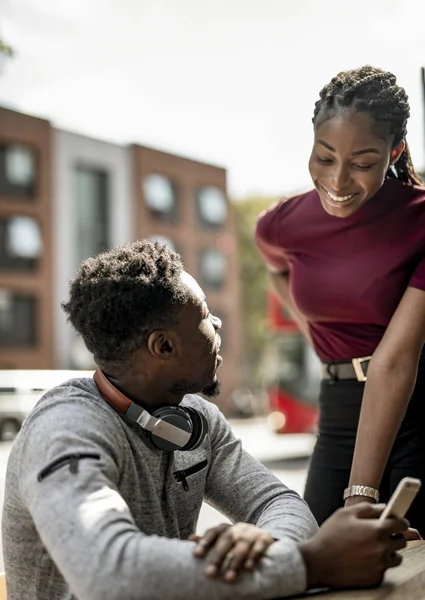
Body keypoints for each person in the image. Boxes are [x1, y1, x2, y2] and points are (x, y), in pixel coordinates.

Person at [2, 240, 409, 600]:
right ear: (163, 345)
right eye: (205, 313)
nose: (217, 325)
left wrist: (262, 546)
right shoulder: (66, 430)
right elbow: (108, 574)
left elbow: (277, 502)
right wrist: (311, 563)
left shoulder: (196, 417)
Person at [255, 65, 425, 535]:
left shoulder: (420, 223)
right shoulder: (282, 224)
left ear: (394, 151)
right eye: (324, 158)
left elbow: (395, 360)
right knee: (310, 553)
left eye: (363, 163)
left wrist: (361, 494)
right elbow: (275, 268)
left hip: (413, 410)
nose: (338, 180)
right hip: (336, 414)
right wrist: (314, 331)